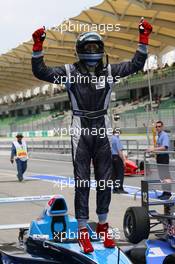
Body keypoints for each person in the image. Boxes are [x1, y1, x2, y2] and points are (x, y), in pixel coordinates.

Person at [31, 19, 152, 253]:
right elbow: (41, 72)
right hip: (80, 128)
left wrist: (143, 38)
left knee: (105, 182)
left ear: (102, 49)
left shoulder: (109, 71)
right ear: (79, 50)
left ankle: (104, 226)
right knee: (82, 182)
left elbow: (136, 64)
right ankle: (84, 230)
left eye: (96, 47)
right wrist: (38, 46)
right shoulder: (69, 72)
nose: (92, 51)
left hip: (102, 128)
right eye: (88, 48)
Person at [147, 121, 171, 200]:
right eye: (156, 127)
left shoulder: (164, 135)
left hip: (164, 157)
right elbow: (159, 146)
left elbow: (164, 147)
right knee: (162, 176)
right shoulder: (159, 135)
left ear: (162, 126)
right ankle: (165, 192)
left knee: (165, 175)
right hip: (160, 157)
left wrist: (153, 149)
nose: (158, 128)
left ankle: (168, 193)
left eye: (159, 126)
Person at [112, 128, 128, 194]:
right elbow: (119, 151)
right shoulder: (116, 139)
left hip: (111, 157)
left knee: (114, 174)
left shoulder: (110, 138)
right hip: (116, 157)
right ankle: (119, 188)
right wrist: (123, 160)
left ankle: (115, 188)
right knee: (120, 174)